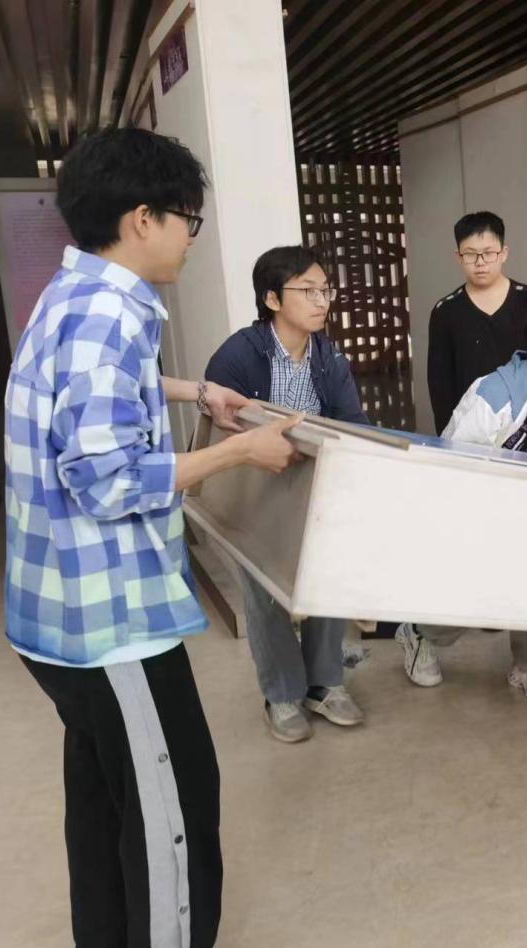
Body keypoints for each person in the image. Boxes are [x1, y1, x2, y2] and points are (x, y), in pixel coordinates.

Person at [5, 128, 303, 947]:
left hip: (58, 617)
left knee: (105, 801)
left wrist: (195, 392)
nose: (190, 237)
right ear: (143, 219)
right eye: (186, 219)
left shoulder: (71, 294)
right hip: (111, 623)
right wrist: (240, 450)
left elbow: (88, 391)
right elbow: (104, 479)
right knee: (172, 810)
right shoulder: (109, 315)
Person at [395, 296, 527, 704]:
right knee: (480, 596)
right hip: (472, 503)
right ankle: (419, 632)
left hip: (526, 505)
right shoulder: (496, 393)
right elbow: (458, 465)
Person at [204, 245, 369, 742]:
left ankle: (325, 683)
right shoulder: (238, 355)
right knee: (265, 592)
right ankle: (281, 694)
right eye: (308, 290)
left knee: (326, 579)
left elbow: (353, 423)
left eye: (326, 290)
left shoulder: (329, 356)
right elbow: (218, 429)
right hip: (254, 488)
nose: (322, 301)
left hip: (313, 485)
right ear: (272, 299)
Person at [427, 211, 527, 433]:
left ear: (504, 253)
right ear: (458, 257)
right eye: (470, 254)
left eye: (489, 253)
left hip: (526, 425)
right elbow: (440, 386)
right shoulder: (445, 312)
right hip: (470, 429)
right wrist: (447, 437)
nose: (480, 262)